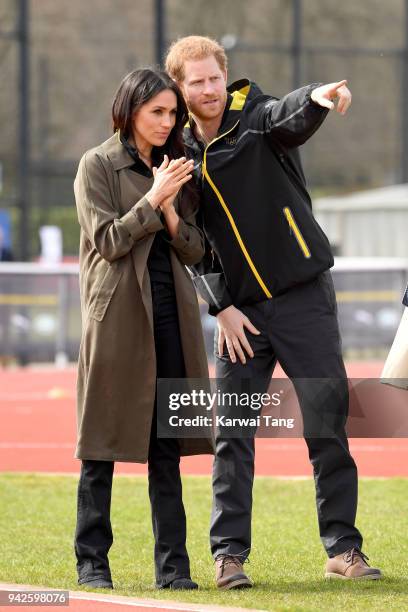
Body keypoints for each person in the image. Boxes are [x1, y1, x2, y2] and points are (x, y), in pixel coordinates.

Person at [165, 36, 382, 587]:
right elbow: (192, 243)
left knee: (326, 423)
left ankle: (342, 548)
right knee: (232, 431)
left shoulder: (257, 119)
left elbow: (291, 112)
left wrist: (319, 96)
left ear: (225, 76)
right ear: (181, 89)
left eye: (214, 77)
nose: (208, 89)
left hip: (304, 297)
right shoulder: (180, 156)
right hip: (240, 316)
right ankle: (228, 554)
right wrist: (221, 306)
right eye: (196, 81)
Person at [73, 68, 212, 591]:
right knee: (100, 445)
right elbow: (108, 241)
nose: (167, 121)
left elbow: (196, 250)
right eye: (157, 111)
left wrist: (172, 211)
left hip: (173, 318)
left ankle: (174, 570)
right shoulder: (97, 164)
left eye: (173, 113)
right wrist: (152, 200)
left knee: (166, 450)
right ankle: (92, 564)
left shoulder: (178, 169)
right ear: (130, 110)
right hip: (116, 321)